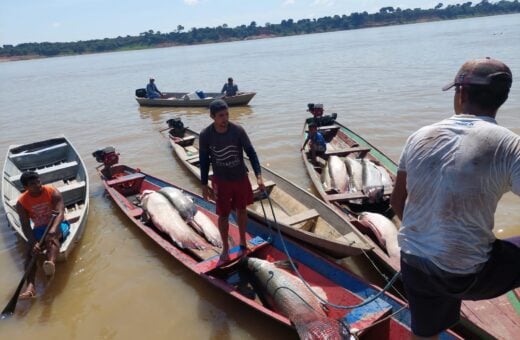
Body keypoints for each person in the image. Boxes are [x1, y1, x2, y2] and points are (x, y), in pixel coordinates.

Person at [390, 57, 520, 339]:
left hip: (414, 265)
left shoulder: (419, 136)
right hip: (468, 275)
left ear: (460, 93)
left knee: (424, 334)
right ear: (502, 99)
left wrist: (429, 236)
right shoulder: (510, 145)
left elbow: (396, 202)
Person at [199, 99, 265, 263]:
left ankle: (243, 241)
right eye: (221, 116)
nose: (225, 119)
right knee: (223, 215)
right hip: (221, 181)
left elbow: (251, 153)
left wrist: (259, 176)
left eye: (227, 114)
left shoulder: (238, 131)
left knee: (242, 210)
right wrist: (203, 184)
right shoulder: (205, 135)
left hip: (240, 178)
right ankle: (225, 249)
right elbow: (204, 160)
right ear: (212, 117)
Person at [16, 171, 69, 299]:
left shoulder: (52, 191)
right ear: (25, 188)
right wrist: (33, 242)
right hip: (39, 228)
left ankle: (50, 264)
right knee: (30, 250)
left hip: (58, 223)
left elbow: (60, 212)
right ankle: (30, 287)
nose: (37, 185)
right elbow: (25, 225)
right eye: (32, 184)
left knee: (52, 238)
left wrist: (53, 228)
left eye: (38, 181)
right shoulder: (21, 202)